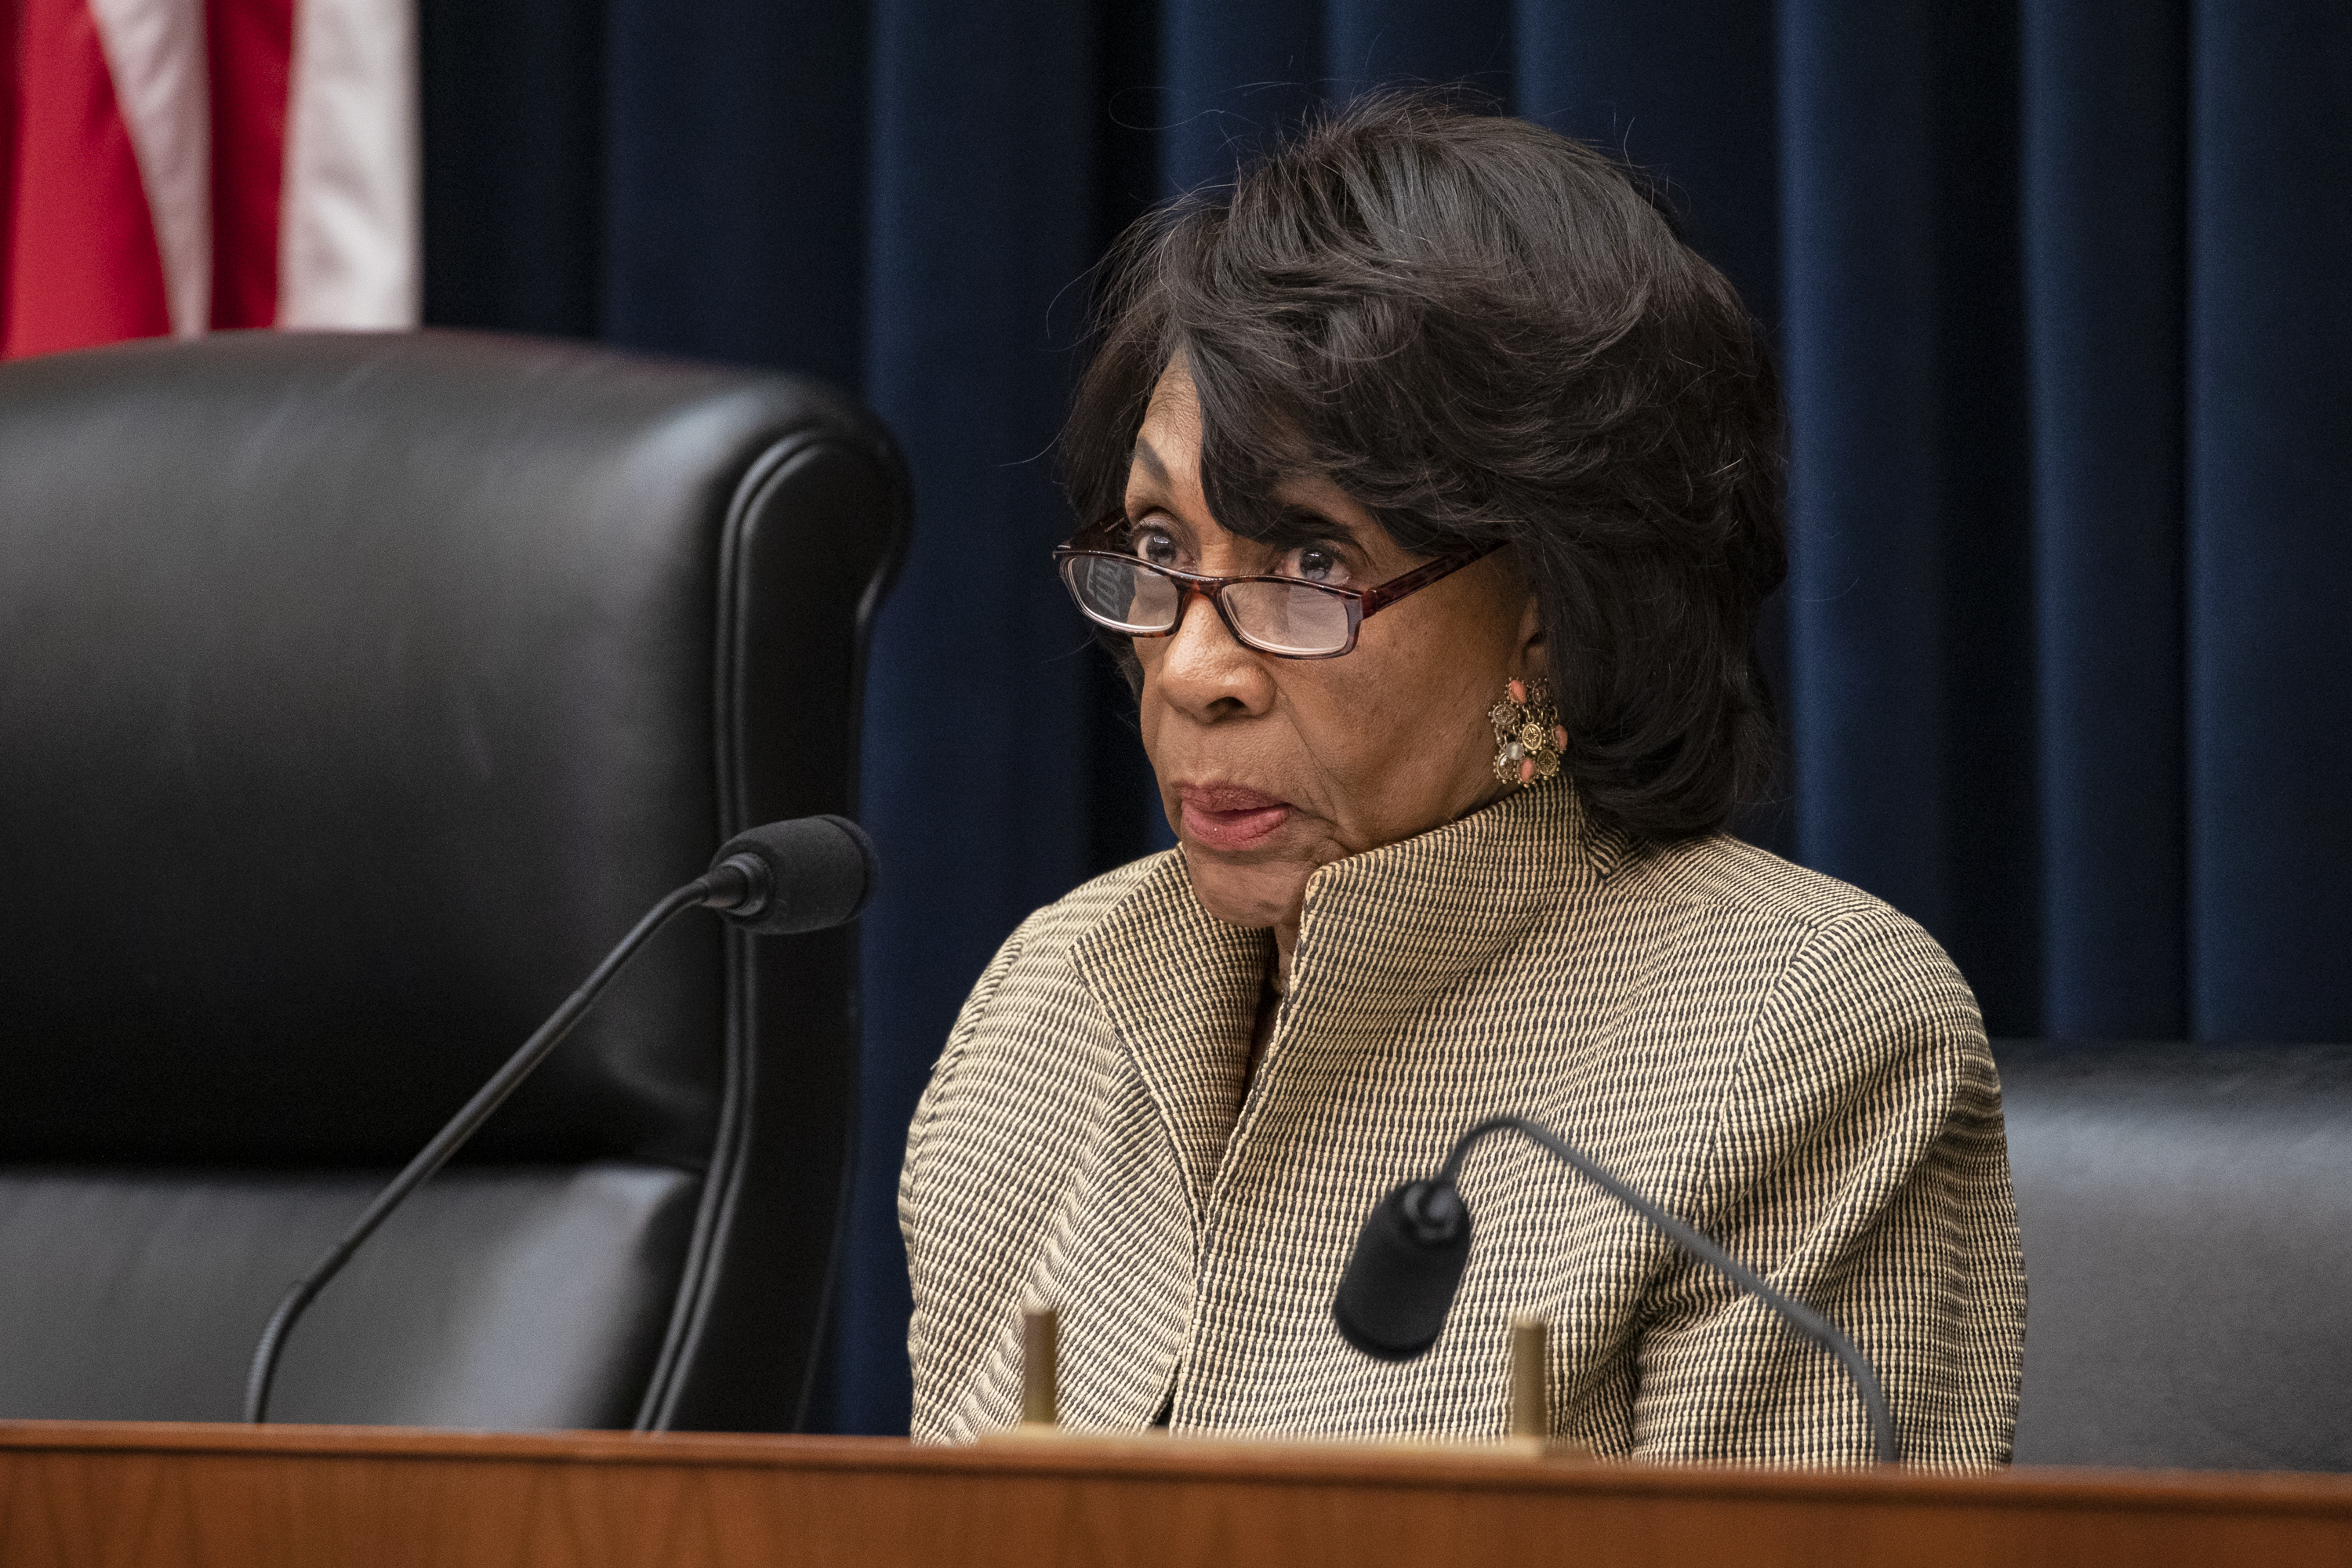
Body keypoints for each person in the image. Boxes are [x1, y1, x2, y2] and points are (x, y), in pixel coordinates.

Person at [897, 94, 2024, 1465]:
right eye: (1157, 540)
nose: (1194, 668)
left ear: (1552, 604)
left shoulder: (1807, 1034)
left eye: (1311, 562)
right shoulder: (1057, 998)